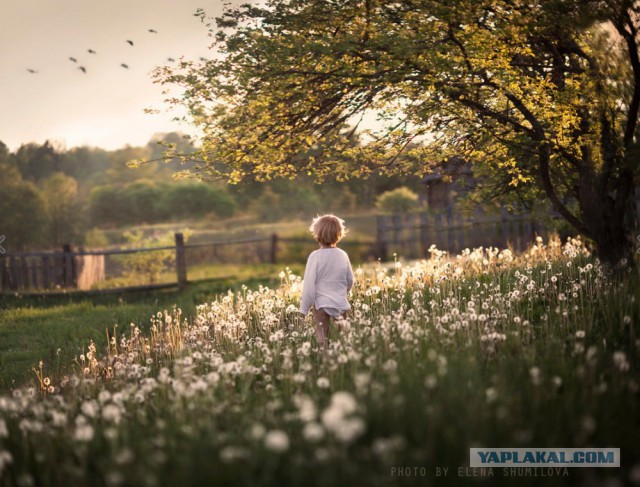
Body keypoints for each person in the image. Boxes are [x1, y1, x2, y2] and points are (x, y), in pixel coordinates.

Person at [300, 214, 355, 349]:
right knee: (345, 338)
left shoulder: (315, 256)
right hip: (341, 303)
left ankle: (325, 360)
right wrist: (343, 292)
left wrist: (304, 309)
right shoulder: (343, 254)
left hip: (321, 305)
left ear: (317, 233)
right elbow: (350, 280)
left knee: (322, 338)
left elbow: (308, 286)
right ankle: (344, 361)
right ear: (339, 233)